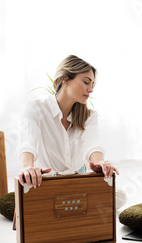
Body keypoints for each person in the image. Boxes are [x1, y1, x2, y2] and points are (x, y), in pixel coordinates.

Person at [16, 55, 126, 207]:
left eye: (92, 84)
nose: (91, 89)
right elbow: (27, 143)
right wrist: (27, 167)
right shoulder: (36, 108)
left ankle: (69, 205)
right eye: (86, 82)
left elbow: (93, 144)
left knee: (120, 196)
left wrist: (100, 163)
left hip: (77, 184)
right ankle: (75, 205)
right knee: (29, 199)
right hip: (46, 185)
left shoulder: (89, 116)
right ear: (66, 80)